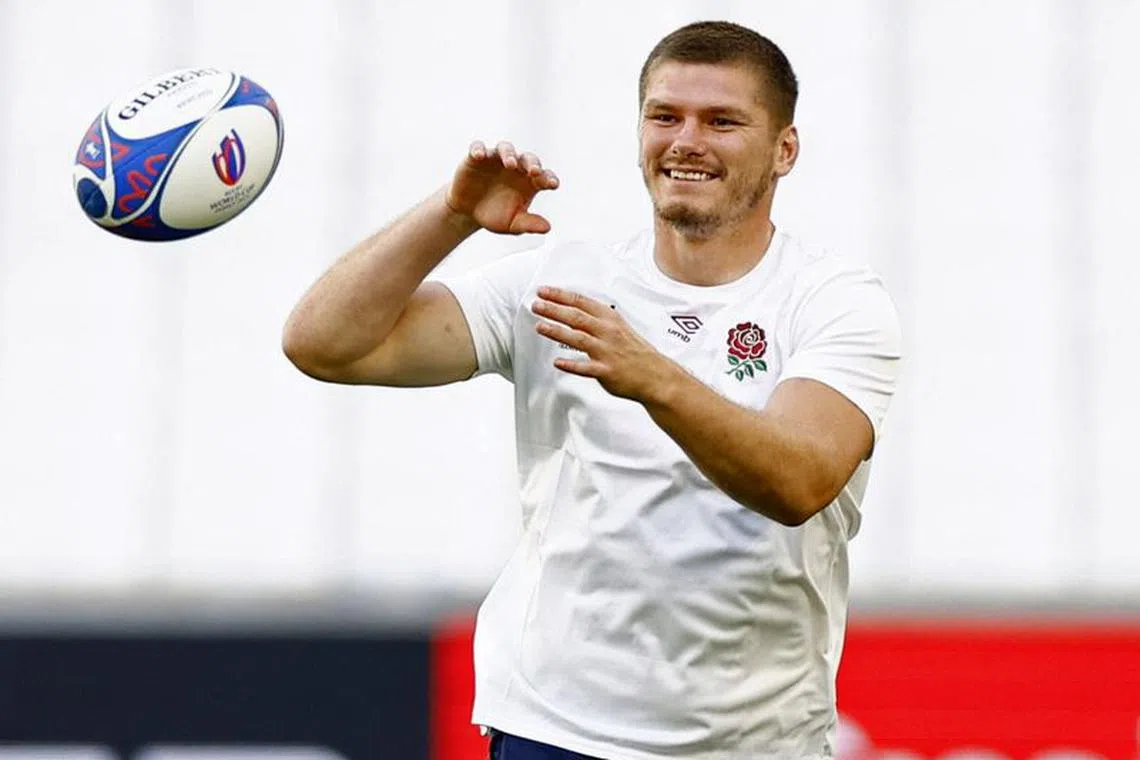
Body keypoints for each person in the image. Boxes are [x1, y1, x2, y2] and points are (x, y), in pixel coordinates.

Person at [283, 19, 902, 760]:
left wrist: (652, 376)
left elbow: (798, 481)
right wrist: (449, 216)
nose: (687, 141)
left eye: (722, 121)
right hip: (555, 728)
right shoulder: (562, 283)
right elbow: (323, 343)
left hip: (755, 741)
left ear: (784, 149)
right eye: (664, 116)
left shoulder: (833, 300)